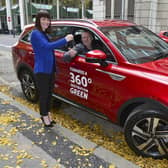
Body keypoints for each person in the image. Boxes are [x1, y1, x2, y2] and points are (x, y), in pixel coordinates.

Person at [30, 10, 74, 127]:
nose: (46, 21)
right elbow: (46, 47)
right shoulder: (35, 33)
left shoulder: (45, 33)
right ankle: (44, 117)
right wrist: (65, 39)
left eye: (47, 19)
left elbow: (51, 45)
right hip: (42, 71)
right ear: (38, 20)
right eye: (43, 19)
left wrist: (67, 46)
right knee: (44, 95)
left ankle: (47, 114)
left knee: (50, 94)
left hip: (50, 69)